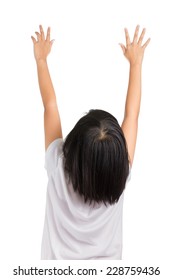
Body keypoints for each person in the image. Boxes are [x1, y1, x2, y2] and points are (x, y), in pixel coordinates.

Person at [31, 25, 150, 259]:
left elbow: (50, 105)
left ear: (71, 145)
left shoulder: (57, 164)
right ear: (118, 154)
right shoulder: (120, 172)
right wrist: (136, 64)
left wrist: (41, 60)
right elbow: (132, 115)